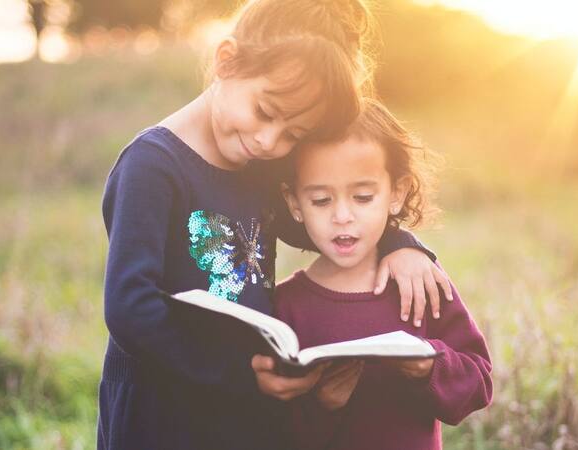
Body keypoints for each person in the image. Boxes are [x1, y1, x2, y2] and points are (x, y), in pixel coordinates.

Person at [97, 1, 452, 448]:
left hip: (244, 406)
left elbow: (325, 227)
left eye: (294, 135)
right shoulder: (153, 167)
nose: (271, 141)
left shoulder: (257, 164)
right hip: (162, 409)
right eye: (265, 112)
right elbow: (130, 309)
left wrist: (402, 243)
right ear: (226, 60)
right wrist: (240, 375)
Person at [275, 99, 493, 450]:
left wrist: (429, 366)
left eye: (362, 197)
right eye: (320, 201)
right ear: (295, 204)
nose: (342, 215)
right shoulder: (286, 306)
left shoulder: (419, 281)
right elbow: (270, 428)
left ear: (397, 193)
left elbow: (478, 382)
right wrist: (322, 404)